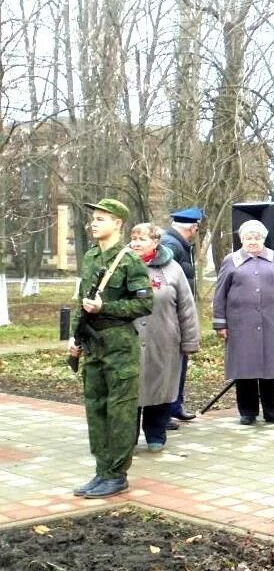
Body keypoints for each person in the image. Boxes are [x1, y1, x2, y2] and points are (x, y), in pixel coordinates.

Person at [69, 199, 153, 499]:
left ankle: (117, 474)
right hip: (93, 344)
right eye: (93, 218)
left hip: (119, 346)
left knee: (119, 410)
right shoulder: (91, 256)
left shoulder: (130, 260)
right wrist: (74, 337)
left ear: (118, 223)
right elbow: (81, 298)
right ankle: (102, 470)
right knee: (95, 408)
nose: (94, 223)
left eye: (101, 219)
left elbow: (145, 303)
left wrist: (108, 307)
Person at [212, 219, 274, 425]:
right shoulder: (231, 261)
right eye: (248, 238)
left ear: (264, 239)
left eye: (257, 237)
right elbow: (220, 294)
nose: (253, 241)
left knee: (271, 367)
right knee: (245, 368)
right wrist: (220, 323)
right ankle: (247, 411)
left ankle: (273, 411)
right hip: (240, 324)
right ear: (241, 239)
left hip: (271, 322)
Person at [129, 223, 200, 452]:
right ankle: (126, 437)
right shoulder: (122, 265)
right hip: (128, 339)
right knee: (129, 389)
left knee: (160, 387)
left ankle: (155, 433)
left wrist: (190, 340)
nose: (137, 243)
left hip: (164, 339)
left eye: (143, 239)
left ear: (156, 242)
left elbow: (186, 307)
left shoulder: (172, 268)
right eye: (134, 238)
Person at [160, 206, 203, 426]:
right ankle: (164, 412)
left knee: (180, 362)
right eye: (197, 228)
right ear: (193, 228)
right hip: (171, 315)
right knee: (171, 366)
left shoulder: (178, 244)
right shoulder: (171, 245)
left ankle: (175, 406)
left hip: (178, 314)